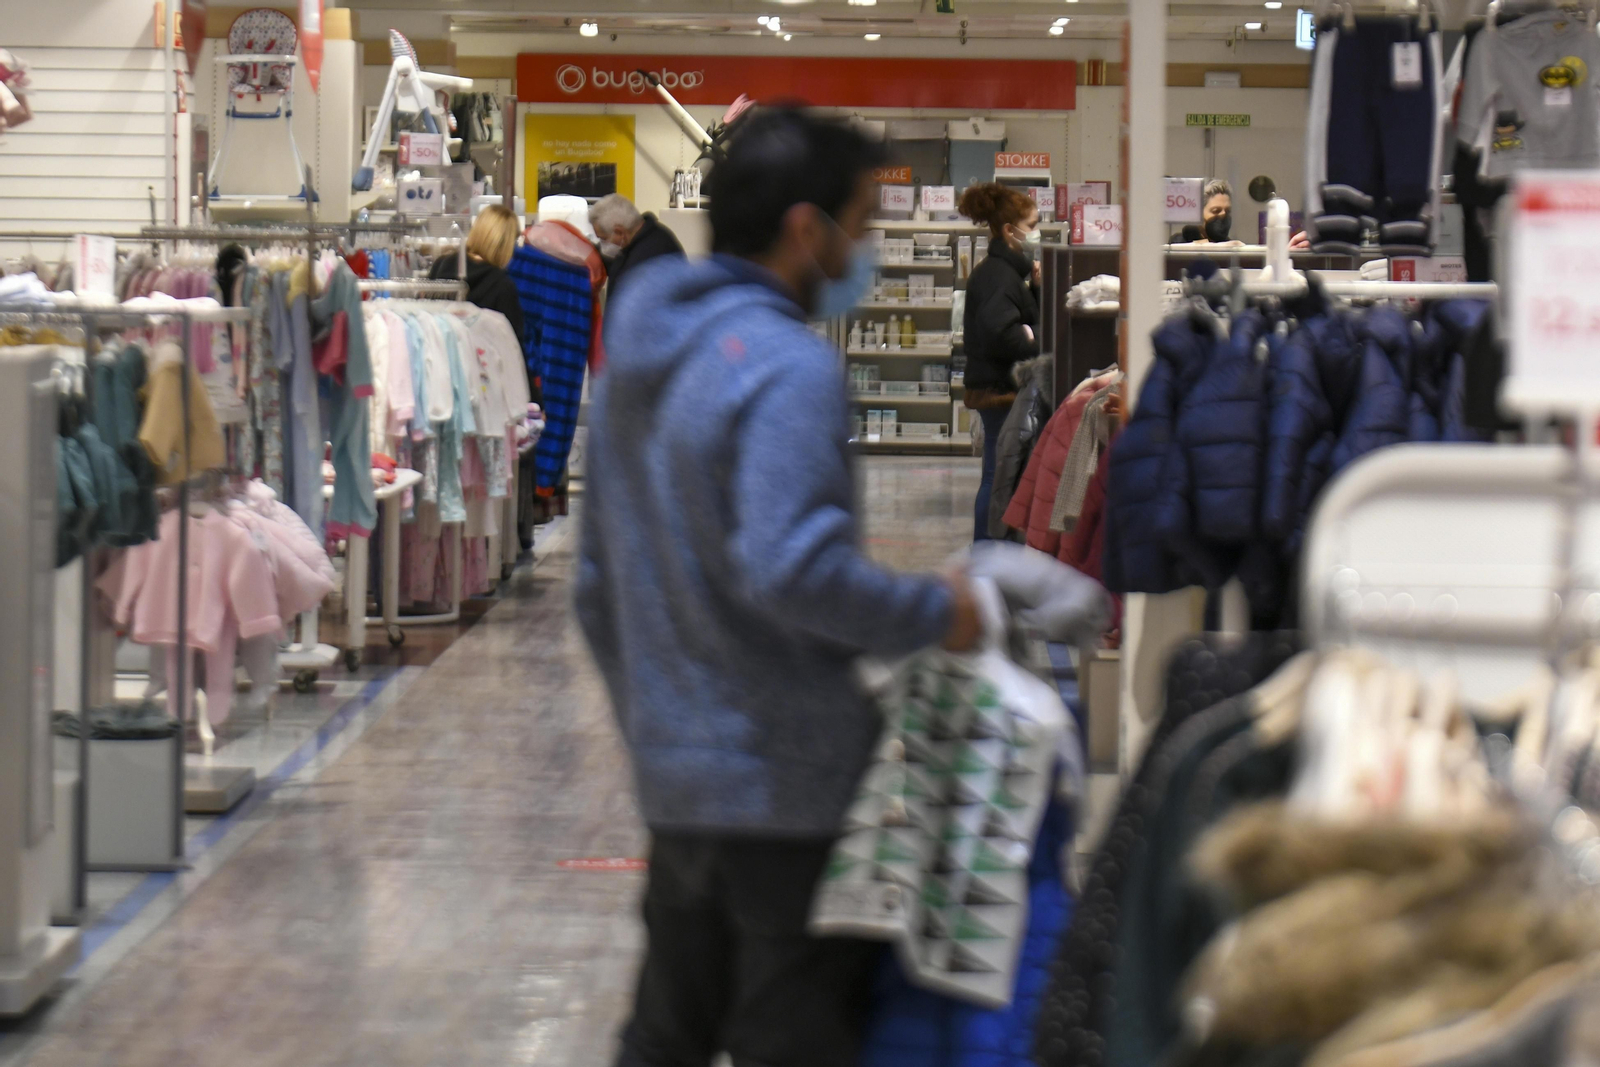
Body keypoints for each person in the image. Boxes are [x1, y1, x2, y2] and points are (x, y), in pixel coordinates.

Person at [576, 106, 983, 1067]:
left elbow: (595, 586)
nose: (868, 247)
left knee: (667, 1034)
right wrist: (939, 611)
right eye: (863, 222)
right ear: (809, 228)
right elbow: (793, 565)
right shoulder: (787, 366)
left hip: (678, 781)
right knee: (792, 1036)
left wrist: (661, 724)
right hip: (785, 785)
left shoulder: (639, 360)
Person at [959, 181, 1041, 542]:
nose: (1038, 233)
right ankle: (988, 550)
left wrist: (1034, 292)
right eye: (1034, 225)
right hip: (999, 392)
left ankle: (991, 548)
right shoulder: (997, 275)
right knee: (997, 476)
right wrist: (1032, 334)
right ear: (1010, 231)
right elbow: (1001, 334)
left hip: (997, 388)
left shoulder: (1008, 273)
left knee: (999, 473)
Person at [427, 203, 525, 345]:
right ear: (506, 243)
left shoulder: (441, 264)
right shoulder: (502, 286)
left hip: (438, 358)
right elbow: (514, 346)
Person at [589, 193, 686, 303]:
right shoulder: (645, 238)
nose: (603, 245)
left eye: (603, 239)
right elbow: (615, 263)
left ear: (619, 232)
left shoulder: (647, 260)